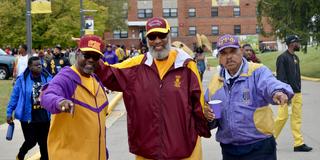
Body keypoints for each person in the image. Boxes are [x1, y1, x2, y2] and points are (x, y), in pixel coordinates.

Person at [95, 17, 211, 159]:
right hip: (147, 150)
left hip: (183, 150)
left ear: (169, 36)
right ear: (147, 39)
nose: (157, 41)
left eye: (162, 35)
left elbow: (198, 104)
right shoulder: (136, 65)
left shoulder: (186, 65)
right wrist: (92, 55)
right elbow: (109, 74)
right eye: (152, 36)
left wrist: (203, 127)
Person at [204, 34, 294, 160]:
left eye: (233, 51)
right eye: (224, 53)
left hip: (260, 147)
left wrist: (278, 92)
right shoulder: (215, 83)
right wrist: (208, 117)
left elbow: (270, 83)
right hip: (229, 149)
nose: (229, 57)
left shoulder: (257, 71)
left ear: (241, 51)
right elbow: (210, 119)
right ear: (219, 57)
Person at [40, 35, 109, 160]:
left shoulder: (97, 82)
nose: (91, 60)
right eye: (87, 55)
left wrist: (103, 151)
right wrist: (60, 102)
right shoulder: (66, 78)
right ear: (77, 53)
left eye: (96, 57)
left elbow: (99, 125)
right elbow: (47, 95)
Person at [7, 56, 52, 160]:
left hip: (44, 115)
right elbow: (14, 97)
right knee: (31, 140)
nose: (39, 66)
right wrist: (9, 113)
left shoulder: (47, 77)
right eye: (36, 65)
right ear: (30, 66)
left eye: (40, 64)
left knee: (44, 143)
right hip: (28, 116)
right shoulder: (22, 79)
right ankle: (20, 155)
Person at [274, 35, 313, 152]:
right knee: (282, 117)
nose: (299, 44)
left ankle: (298, 143)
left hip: (297, 93)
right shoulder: (282, 58)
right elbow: (281, 77)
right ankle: (269, 140)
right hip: (287, 95)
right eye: (297, 42)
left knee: (297, 119)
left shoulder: (295, 57)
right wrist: (285, 93)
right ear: (292, 43)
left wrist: (298, 89)